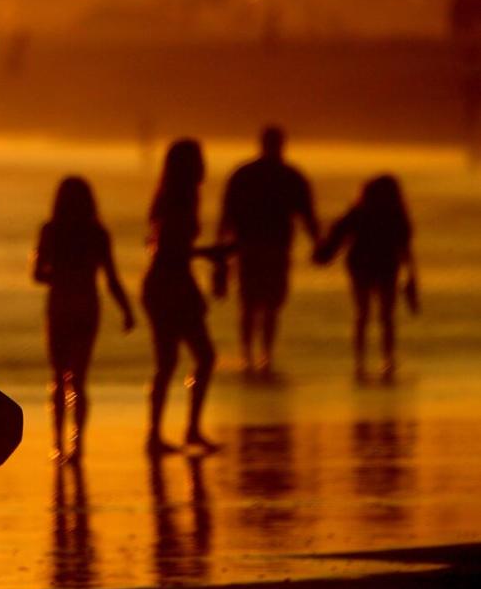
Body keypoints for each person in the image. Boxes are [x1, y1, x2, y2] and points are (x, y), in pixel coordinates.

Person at [33, 177, 135, 464]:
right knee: (79, 379)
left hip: (61, 305)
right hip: (87, 306)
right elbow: (112, 278)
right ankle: (78, 446)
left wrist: (61, 275)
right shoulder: (97, 232)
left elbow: (38, 274)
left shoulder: (51, 230)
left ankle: (57, 444)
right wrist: (127, 310)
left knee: (58, 377)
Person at [142, 139, 225, 456]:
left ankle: (169, 432)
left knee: (179, 360)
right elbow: (168, 249)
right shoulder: (178, 198)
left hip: (169, 281)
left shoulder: (174, 196)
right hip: (168, 282)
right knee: (192, 358)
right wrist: (208, 253)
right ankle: (170, 432)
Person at [216, 126, 319, 375]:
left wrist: (221, 253)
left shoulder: (244, 174)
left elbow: (226, 217)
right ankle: (262, 355)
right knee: (268, 304)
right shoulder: (290, 176)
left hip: (251, 247)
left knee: (251, 303)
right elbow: (306, 215)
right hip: (270, 247)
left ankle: (250, 354)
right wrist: (319, 244)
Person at [314, 175, 418, 381]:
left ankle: (360, 361)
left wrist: (324, 254)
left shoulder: (359, 212)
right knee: (386, 316)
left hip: (360, 265)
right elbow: (405, 249)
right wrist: (411, 276)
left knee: (362, 313)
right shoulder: (396, 215)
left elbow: (339, 235)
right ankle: (387, 359)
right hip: (386, 266)